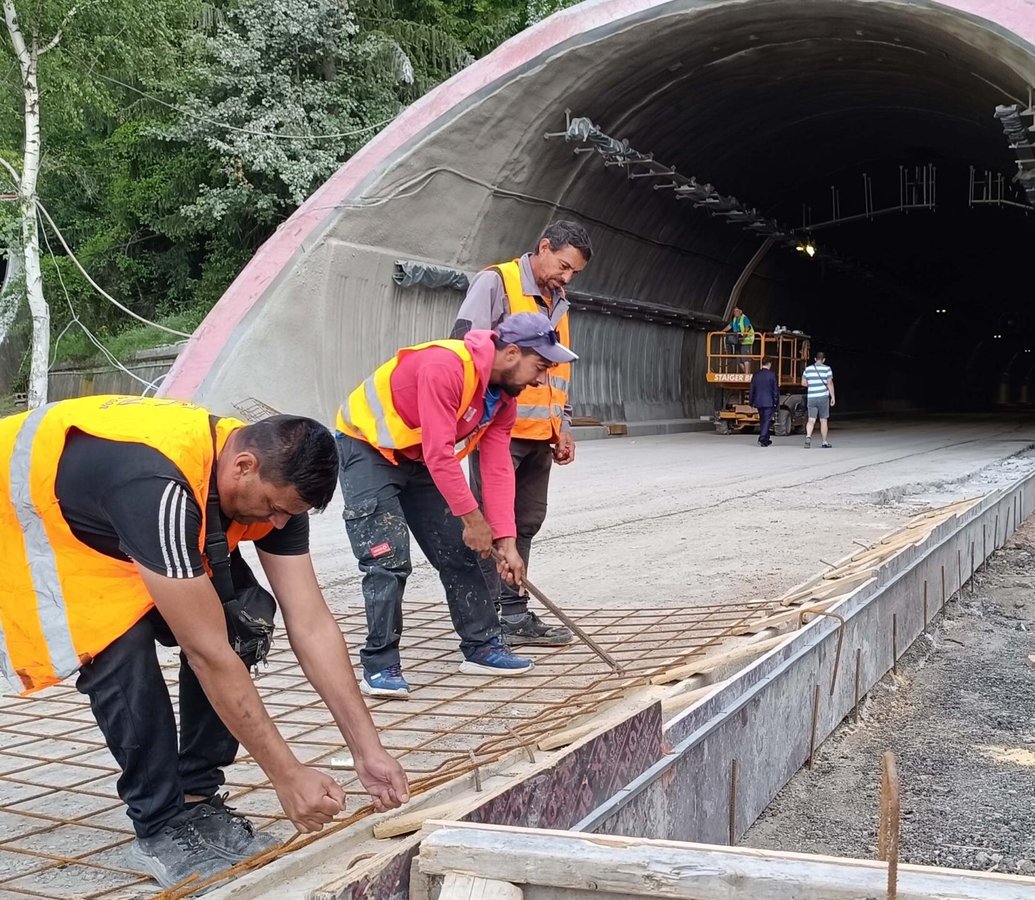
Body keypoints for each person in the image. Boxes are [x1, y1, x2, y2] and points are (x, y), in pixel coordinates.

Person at [0, 396, 410, 887]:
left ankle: (195, 797)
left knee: (244, 619)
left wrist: (369, 749)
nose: (277, 524)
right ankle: (160, 824)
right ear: (243, 466)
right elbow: (206, 653)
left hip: (116, 518)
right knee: (119, 647)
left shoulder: (278, 479)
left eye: (288, 515)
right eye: (275, 509)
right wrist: (287, 775)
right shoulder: (160, 490)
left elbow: (312, 621)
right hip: (35, 523)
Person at [336, 312, 578, 697]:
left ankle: (482, 646)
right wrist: (474, 521)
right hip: (368, 449)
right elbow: (440, 453)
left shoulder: (502, 398)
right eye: (540, 366)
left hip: (417, 458)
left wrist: (506, 540)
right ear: (512, 352)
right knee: (388, 560)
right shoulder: (446, 367)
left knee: (462, 551)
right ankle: (379, 665)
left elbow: (497, 468)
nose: (540, 379)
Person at [450, 221, 591, 648]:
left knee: (525, 522)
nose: (566, 278)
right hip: (499, 429)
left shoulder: (559, 302)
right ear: (543, 246)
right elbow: (465, 349)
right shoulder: (497, 283)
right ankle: (483, 619)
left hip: (540, 434)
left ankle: (512, 612)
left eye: (574, 274)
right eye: (563, 266)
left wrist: (563, 424)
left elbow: (558, 369)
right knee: (492, 525)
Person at [803, 351, 836, 449]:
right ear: (824, 359)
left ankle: (808, 436)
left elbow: (803, 383)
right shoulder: (827, 369)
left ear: (814, 359)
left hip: (811, 397)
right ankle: (824, 442)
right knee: (823, 420)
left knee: (811, 420)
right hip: (823, 398)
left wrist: (812, 385)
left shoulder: (808, 369)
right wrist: (833, 397)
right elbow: (830, 383)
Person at [751, 358, 780, 447]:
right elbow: (775, 390)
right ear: (769, 364)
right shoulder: (772, 375)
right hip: (769, 401)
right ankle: (762, 438)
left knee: (762, 420)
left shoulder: (756, 374)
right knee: (767, 420)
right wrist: (776, 401)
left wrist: (751, 401)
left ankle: (766, 439)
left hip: (759, 401)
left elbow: (752, 389)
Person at [725, 307, 756, 373]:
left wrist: (744, 335)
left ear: (740, 311)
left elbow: (747, 327)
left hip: (746, 340)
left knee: (744, 357)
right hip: (738, 341)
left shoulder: (744, 318)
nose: (735, 312)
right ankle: (746, 373)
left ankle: (747, 374)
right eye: (734, 311)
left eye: (737, 311)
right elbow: (729, 326)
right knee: (738, 359)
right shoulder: (734, 320)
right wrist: (721, 331)